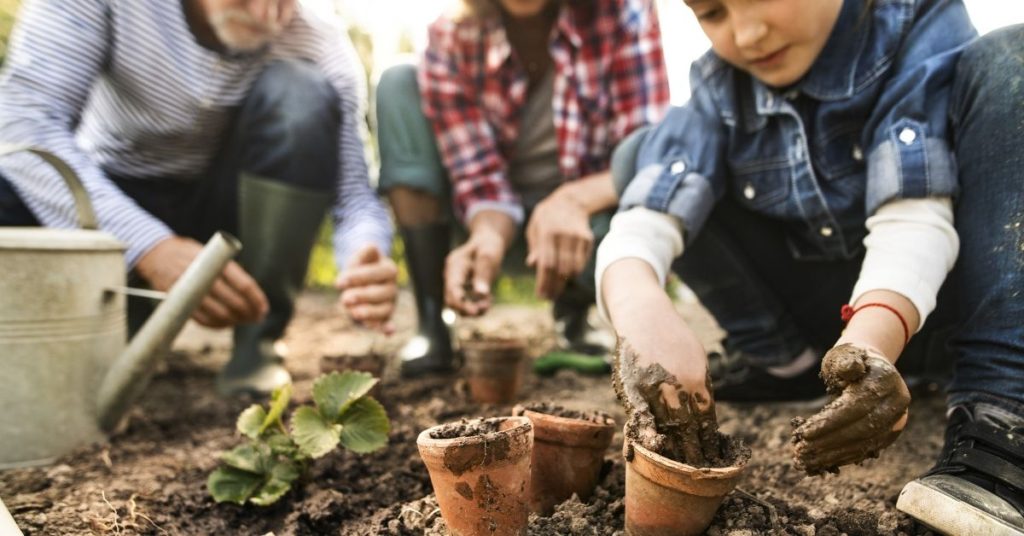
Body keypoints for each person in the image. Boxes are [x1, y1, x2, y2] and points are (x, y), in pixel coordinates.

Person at [595, 0, 1023, 532]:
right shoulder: (718, 83)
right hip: (829, 329)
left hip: (938, 308)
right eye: (712, 13)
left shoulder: (917, 23)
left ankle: (1001, 416)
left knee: (1014, 58)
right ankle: (785, 365)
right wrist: (643, 312)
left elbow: (914, 217)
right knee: (641, 155)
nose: (747, 34)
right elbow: (647, 218)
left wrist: (871, 343)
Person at [0, 0, 398, 396]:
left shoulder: (318, 39)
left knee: (302, 93)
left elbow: (354, 196)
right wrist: (148, 247)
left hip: (228, 212)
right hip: (113, 200)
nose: (267, 15)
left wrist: (365, 253)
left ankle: (258, 343)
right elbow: (24, 123)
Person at [375, 0, 670, 376]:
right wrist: (488, 234)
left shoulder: (626, 12)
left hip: (587, 224)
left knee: (641, 212)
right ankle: (432, 319)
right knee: (398, 79)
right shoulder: (450, 35)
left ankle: (574, 311)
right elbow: (477, 176)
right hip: (495, 224)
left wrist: (572, 201)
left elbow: (646, 154)